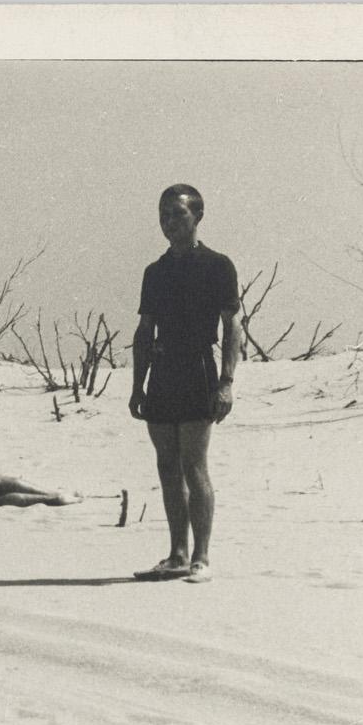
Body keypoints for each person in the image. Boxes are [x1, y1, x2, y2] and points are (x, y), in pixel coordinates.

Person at [128, 183, 240, 583]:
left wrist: (226, 382)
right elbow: (144, 331)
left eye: (177, 214)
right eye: (164, 215)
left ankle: (201, 557)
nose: (169, 222)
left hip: (198, 370)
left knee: (194, 464)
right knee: (166, 465)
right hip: (162, 373)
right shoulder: (154, 272)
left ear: (197, 215)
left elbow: (232, 329)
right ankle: (176, 553)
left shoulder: (217, 265)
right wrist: (137, 385)